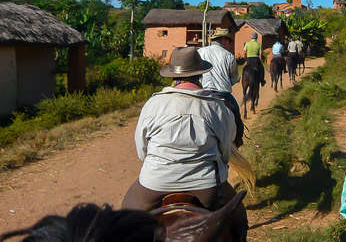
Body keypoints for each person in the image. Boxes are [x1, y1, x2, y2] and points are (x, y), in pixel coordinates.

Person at [121, 47, 248, 241]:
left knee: (124, 219)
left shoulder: (153, 104)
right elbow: (225, 150)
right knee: (238, 217)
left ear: (173, 76)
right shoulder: (216, 106)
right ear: (200, 74)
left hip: (156, 182)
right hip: (206, 186)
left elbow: (142, 149)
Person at [0, 203, 166, 242]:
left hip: (155, 179)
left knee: (132, 200)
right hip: (192, 179)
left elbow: (141, 146)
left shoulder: (150, 112)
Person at [197, 28, 244, 147]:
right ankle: (238, 139)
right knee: (236, 115)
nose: (228, 43)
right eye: (228, 40)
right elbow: (234, 78)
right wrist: (226, 82)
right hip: (223, 94)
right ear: (223, 40)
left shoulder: (200, 52)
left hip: (202, 92)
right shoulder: (229, 56)